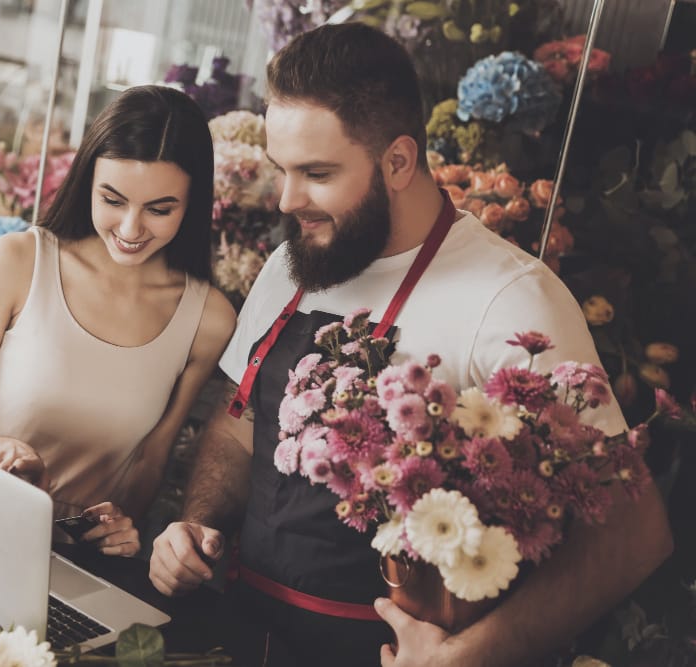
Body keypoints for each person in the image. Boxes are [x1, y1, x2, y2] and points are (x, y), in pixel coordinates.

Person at [148, 23, 673, 666]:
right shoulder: (294, 262)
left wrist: (469, 656)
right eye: (282, 169)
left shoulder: (511, 299)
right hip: (244, 637)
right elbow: (241, 423)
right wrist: (197, 525)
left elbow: (630, 538)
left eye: (316, 173)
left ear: (398, 161)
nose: (287, 200)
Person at [0, 85, 236, 559]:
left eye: (159, 209)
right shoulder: (20, 262)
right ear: (87, 181)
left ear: (192, 203)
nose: (131, 229)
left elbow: (149, 463)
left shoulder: (208, 319)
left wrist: (117, 528)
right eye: (112, 200)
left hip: (80, 561)